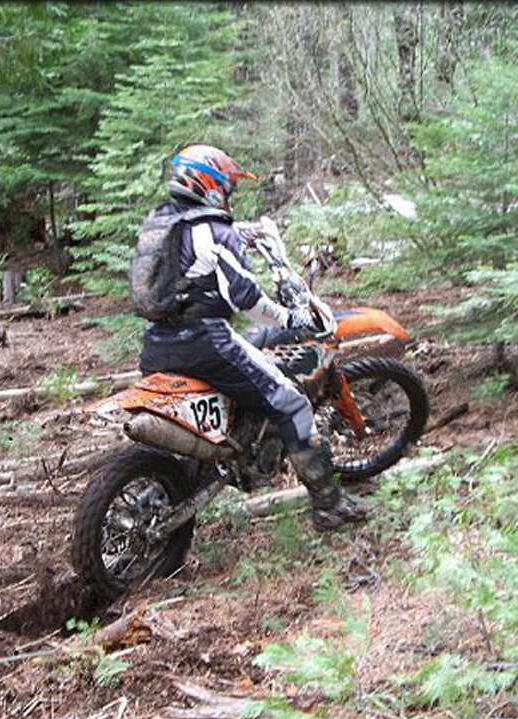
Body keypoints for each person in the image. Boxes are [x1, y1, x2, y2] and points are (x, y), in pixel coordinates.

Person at [137, 143, 369, 530]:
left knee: (257, 346)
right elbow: (247, 300)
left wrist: (242, 234)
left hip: (158, 344)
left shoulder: (163, 222)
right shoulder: (215, 231)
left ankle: (233, 447)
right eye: (227, 186)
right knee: (292, 404)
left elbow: (189, 259)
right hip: (205, 342)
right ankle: (329, 505)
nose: (228, 194)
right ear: (211, 183)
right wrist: (291, 317)